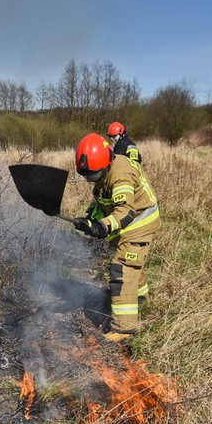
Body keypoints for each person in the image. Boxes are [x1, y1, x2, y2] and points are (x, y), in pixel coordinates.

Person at [72, 133, 160, 343]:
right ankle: (139, 298)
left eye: (94, 175)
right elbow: (104, 202)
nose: (90, 180)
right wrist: (90, 220)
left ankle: (124, 328)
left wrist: (102, 227)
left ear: (107, 163)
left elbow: (124, 212)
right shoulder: (106, 170)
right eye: (88, 177)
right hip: (127, 226)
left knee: (122, 266)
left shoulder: (121, 175)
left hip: (139, 222)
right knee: (132, 263)